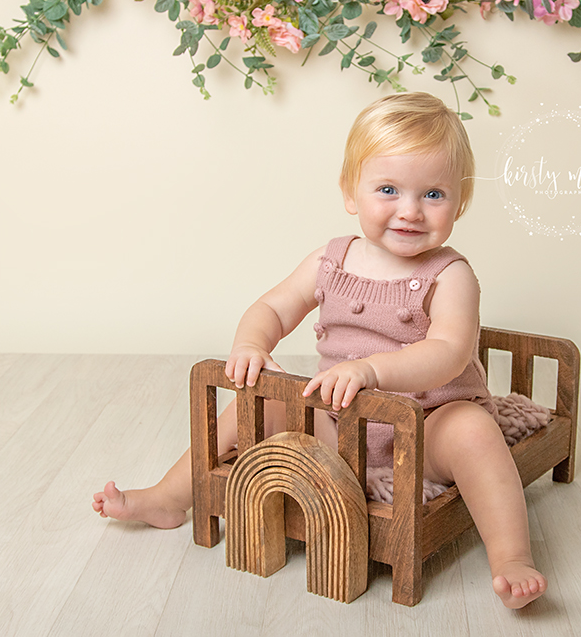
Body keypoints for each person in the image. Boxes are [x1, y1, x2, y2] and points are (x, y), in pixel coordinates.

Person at [92, 92, 546, 608]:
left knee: (476, 433)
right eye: (389, 189)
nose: (410, 211)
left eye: (434, 194)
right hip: (340, 423)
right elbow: (273, 307)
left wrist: (372, 370)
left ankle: (512, 555)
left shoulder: (450, 274)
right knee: (256, 403)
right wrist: (251, 344)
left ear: (459, 203)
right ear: (351, 192)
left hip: (428, 428)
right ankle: (169, 497)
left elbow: (449, 351)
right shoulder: (330, 261)